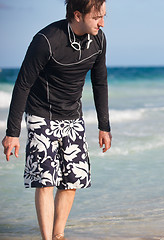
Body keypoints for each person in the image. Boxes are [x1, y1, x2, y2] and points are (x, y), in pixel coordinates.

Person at [1, 0, 111, 239]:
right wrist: (12, 133)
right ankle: (47, 238)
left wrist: (104, 127)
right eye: (97, 17)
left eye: (104, 16)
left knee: (72, 180)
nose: (102, 23)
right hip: (42, 115)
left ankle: (59, 234)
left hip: (73, 117)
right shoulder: (46, 40)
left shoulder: (99, 40)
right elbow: (22, 85)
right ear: (78, 15)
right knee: (45, 180)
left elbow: (100, 82)